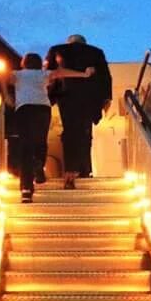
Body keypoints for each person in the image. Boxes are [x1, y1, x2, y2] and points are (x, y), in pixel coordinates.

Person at [0, 53, 94, 202]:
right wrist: (84, 74)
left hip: (24, 109)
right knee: (40, 141)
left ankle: (26, 189)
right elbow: (62, 72)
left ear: (24, 63)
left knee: (25, 146)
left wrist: (6, 95)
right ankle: (38, 165)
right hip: (43, 109)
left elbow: (2, 75)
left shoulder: (18, 74)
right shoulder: (43, 74)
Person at [45, 35, 112, 189]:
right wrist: (106, 99)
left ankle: (70, 171)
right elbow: (105, 77)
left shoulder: (57, 49)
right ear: (84, 42)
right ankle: (85, 170)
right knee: (85, 133)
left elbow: (49, 72)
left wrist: (48, 96)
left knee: (69, 132)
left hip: (65, 95)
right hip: (89, 98)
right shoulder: (96, 52)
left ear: (69, 41)